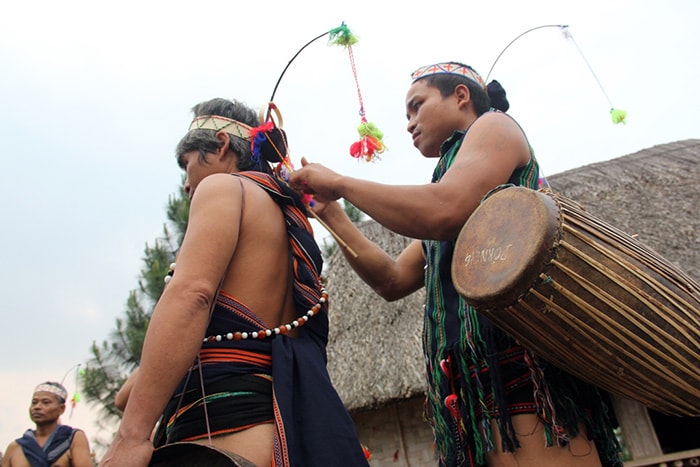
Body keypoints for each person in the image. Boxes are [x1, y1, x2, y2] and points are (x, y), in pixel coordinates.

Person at [289, 62, 622, 466]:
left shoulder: (494, 126)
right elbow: (393, 280)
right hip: (472, 379)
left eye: (417, 106)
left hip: (527, 364)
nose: (409, 123)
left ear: (461, 96)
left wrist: (341, 182)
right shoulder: (447, 177)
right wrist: (333, 213)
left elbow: (445, 209)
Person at [99, 98, 369, 467]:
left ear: (222, 145)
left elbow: (193, 295)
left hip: (218, 438)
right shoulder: (292, 221)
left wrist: (131, 437)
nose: (186, 183)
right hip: (281, 435)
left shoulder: (223, 189)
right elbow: (128, 391)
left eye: (187, 163)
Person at [2, 382, 92, 467]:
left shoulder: (72, 439)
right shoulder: (15, 447)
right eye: (34, 402)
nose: (37, 407)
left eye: (45, 402)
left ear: (61, 409)